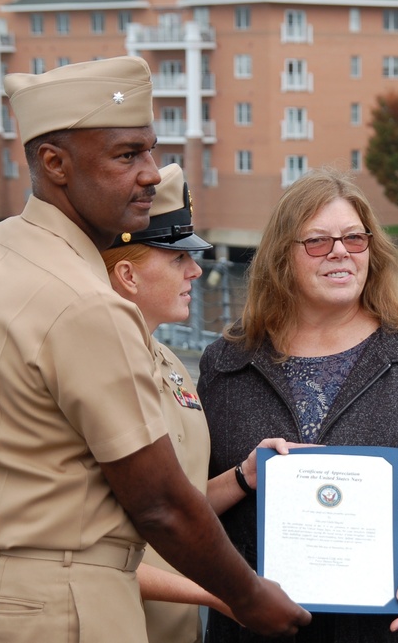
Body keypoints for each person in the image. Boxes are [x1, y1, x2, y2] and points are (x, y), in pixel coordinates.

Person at [0, 56, 310, 642]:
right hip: (68, 603)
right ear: (54, 163)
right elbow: (162, 503)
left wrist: (31, 483)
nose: (149, 172)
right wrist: (249, 596)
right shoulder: (88, 302)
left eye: (149, 150)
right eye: (126, 154)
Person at [197, 167, 398, 642]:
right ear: (283, 257)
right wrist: (242, 478)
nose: (340, 252)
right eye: (318, 242)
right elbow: (185, 499)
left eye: (354, 239)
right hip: (263, 625)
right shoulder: (227, 365)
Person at [101, 162, 304, 642]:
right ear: (127, 274)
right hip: (118, 623)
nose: (195, 270)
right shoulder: (99, 368)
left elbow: (177, 498)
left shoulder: (167, 359)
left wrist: (243, 476)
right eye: (177, 259)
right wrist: (226, 594)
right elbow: (97, 546)